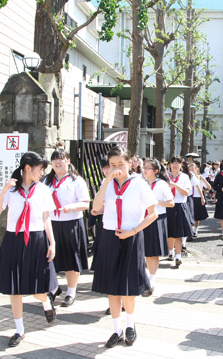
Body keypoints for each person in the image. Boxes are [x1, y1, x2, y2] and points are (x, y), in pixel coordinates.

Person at [91, 146, 158, 348]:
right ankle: (116, 329)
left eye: (121, 163)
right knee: (112, 288)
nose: (117, 168)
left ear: (130, 163)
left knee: (127, 288)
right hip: (110, 237)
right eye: (112, 165)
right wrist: (106, 182)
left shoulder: (139, 184)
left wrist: (134, 231)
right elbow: (95, 208)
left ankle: (130, 325)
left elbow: (153, 213)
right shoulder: (108, 183)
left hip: (131, 236)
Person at [0, 152, 57, 347]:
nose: (42, 173)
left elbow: (46, 218)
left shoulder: (43, 190)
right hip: (14, 240)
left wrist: (52, 243)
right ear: (27, 167)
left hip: (37, 239)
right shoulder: (11, 189)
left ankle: (46, 302)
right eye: (40, 169)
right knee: (15, 288)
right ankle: (19, 330)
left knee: (37, 288)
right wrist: (4, 190)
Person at [43, 148, 90, 307]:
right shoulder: (46, 181)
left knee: (71, 258)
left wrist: (72, 207)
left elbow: (85, 204)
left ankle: (71, 291)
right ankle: (53, 289)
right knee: (50, 258)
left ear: (68, 161)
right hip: (51, 224)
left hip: (71, 224)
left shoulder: (76, 180)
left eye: (61, 159)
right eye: (54, 159)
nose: (57, 162)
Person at [142, 158, 174, 295]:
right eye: (144, 167)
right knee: (145, 251)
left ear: (155, 171)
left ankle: (152, 278)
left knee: (153, 251)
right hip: (142, 219)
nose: (144, 169)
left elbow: (171, 203)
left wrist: (157, 202)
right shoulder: (141, 183)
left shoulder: (161, 184)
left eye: (148, 167)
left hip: (157, 219)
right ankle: (145, 277)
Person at [165, 156, 193, 267]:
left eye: (178, 163)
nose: (175, 165)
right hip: (167, 205)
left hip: (180, 205)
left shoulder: (185, 177)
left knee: (178, 233)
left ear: (181, 165)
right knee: (169, 232)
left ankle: (178, 255)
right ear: (169, 165)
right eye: (173, 163)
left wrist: (175, 185)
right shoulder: (165, 176)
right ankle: (171, 252)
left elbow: (186, 192)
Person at [189, 162, 210, 237]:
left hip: (198, 197)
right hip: (190, 197)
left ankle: (195, 230)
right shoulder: (188, 177)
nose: (191, 171)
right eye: (190, 169)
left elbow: (209, 187)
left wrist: (204, 180)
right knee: (190, 214)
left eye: (193, 169)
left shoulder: (199, 178)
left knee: (197, 216)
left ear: (196, 170)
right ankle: (190, 230)